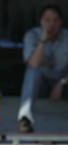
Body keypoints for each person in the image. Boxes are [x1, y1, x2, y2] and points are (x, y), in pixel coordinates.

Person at [17, 4, 68, 133]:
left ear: (61, 22)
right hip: (41, 82)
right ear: (41, 21)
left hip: (63, 81)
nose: (52, 24)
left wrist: (62, 83)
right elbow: (33, 64)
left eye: (55, 20)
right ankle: (25, 118)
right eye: (47, 20)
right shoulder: (32, 35)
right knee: (32, 72)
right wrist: (43, 41)